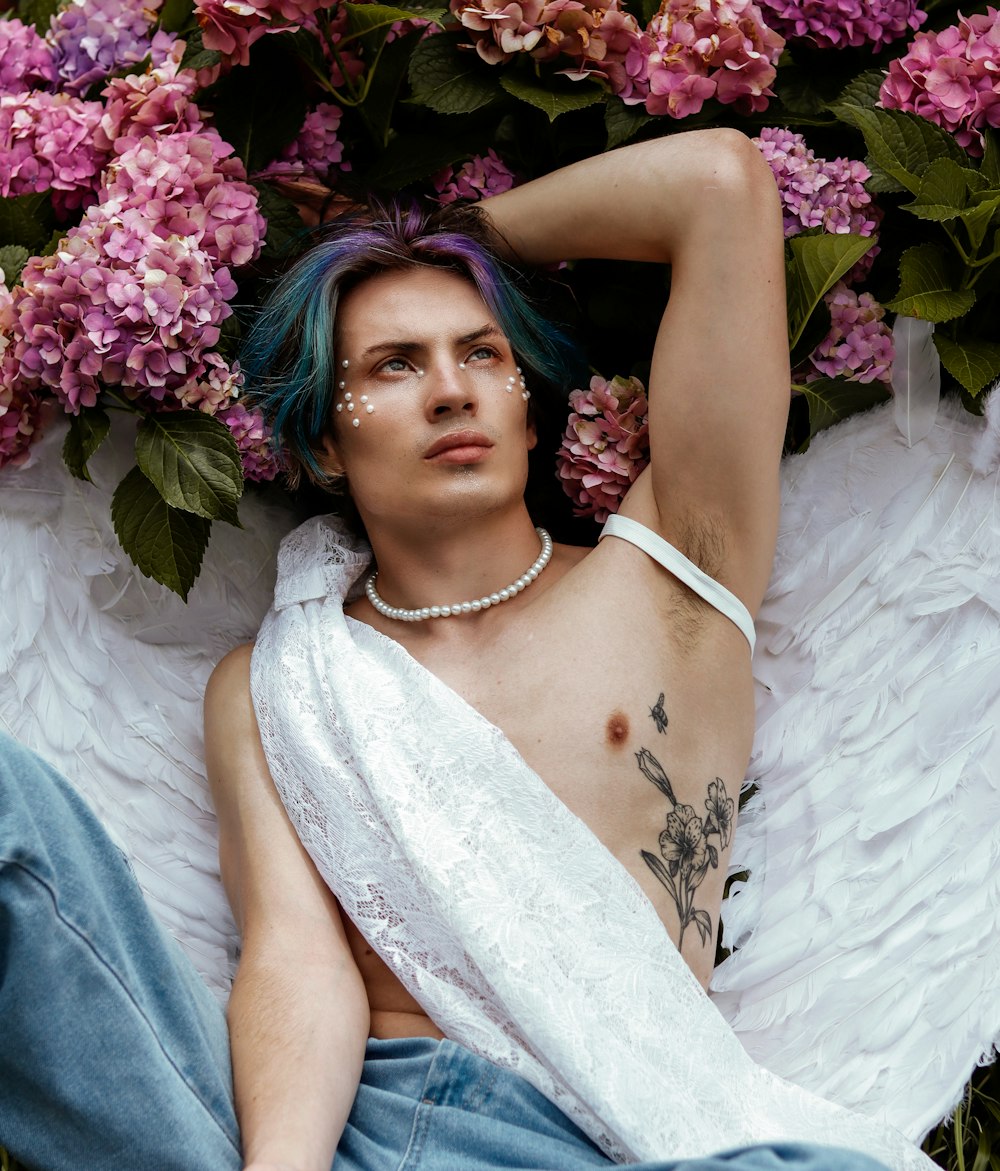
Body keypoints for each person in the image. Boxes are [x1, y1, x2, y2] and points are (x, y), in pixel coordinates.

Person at [0, 131, 932, 1171]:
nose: (451, 390)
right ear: (321, 445)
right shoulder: (288, 679)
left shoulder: (671, 581)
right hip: (370, 1134)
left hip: (622, 1140)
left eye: (480, 353)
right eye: (394, 366)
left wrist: (432, 242)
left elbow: (718, 184)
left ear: (529, 415)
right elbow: (300, 962)